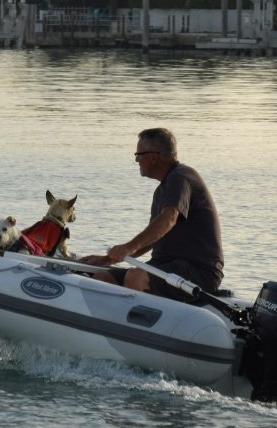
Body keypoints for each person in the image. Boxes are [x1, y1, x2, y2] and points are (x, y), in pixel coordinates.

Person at [80, 128, 223, 301]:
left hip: (198, 271)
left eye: (138, 154)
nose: (136, 160)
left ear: (153, 157)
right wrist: (108, 259)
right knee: (102, 278)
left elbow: (169, 219)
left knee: (136, 278)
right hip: (165, 266)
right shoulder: (162, 189)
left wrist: (129, 246)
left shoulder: (181, 177)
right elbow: (154, 237)